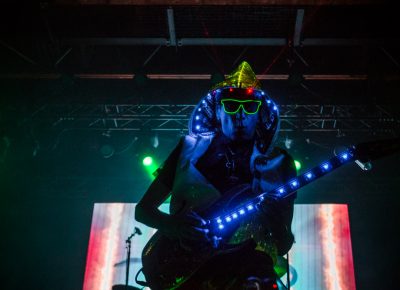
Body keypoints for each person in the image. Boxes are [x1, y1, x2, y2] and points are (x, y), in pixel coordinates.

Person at [135, 61, 297, 290]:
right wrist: (173, 226)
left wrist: (274, 219)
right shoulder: (188, 150)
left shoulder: (280, 163)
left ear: (260, 113)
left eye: (249, 107)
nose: (240, 114)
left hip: (248, 273)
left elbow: (282, 244)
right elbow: (142, 210)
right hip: (188, 269)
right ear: (217, 110)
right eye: (231, 105)